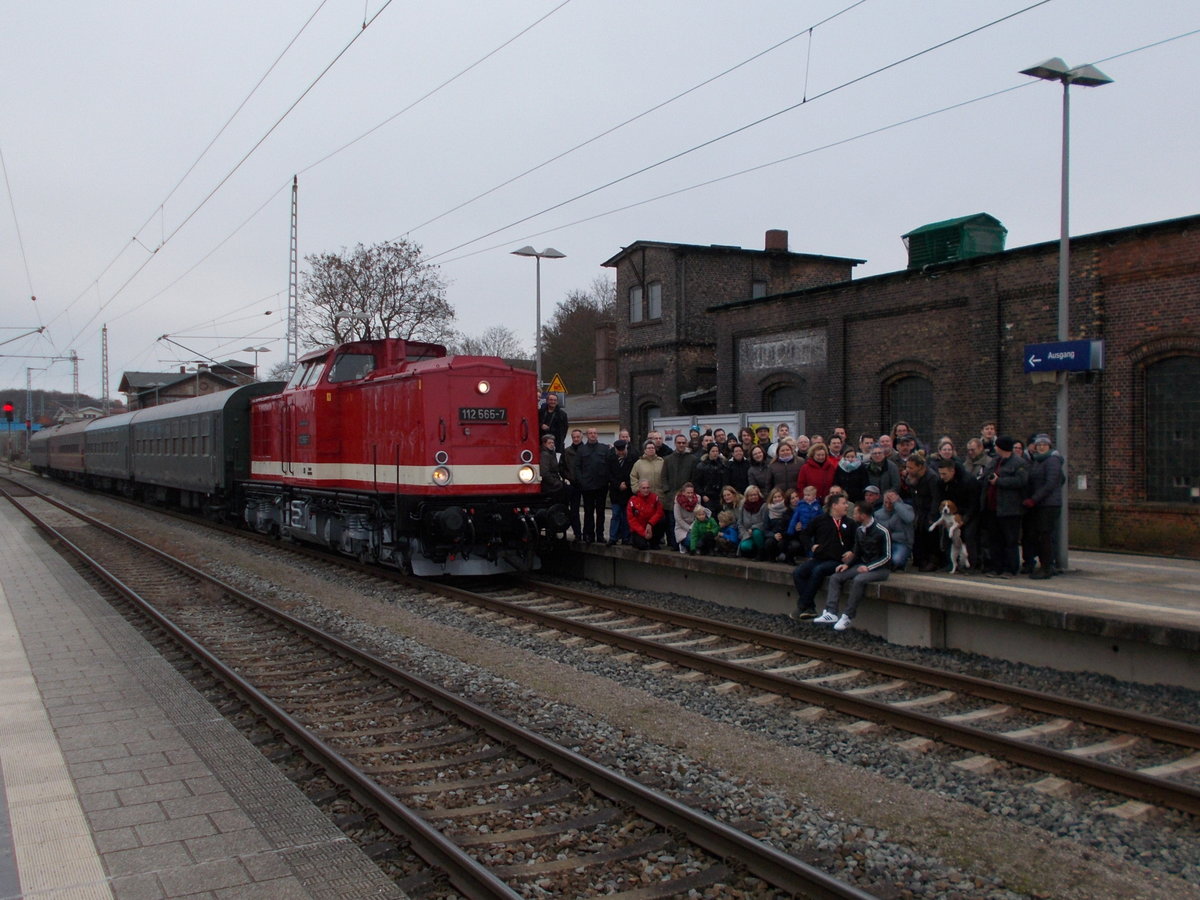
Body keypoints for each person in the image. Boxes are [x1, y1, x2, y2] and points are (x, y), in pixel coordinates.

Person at [815, 501, 892, 631]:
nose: (853, 515)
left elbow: (887, 556)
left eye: (856, 513)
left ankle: (847, 615)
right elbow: (857, 552)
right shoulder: (859, 530)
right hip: (862, 565)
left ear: (863, 515)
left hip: (880, 569)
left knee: (859, 580)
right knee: (836, 577)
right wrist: (847, 565)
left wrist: (869, 567)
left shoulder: (882, 531)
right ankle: (831, 611)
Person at [790, 493, 854, 619]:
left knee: (819, 571)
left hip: (837, 560)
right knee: (798, 572)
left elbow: (858, 541)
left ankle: (802, 605)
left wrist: (852, 552)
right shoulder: (820, 520)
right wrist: (811, 546)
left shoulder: (850, 523)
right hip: (820, 557)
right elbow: (805, 534)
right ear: (834, 505)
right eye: (844, 503)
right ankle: (810, 607)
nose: (847, 506)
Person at [985, 436, 1028, 577]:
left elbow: (1021, 481)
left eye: (996, 446)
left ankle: (1010, 568)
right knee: (995, 539)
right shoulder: (995, 461)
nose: (995, 448)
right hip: (993, 507)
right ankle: (996, 567)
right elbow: (986, 474)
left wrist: (999, 481)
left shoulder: (1019, 463)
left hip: (1010, 508)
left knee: (1010, 540)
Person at [1024, 433, 1063, 579]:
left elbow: (1050, 483)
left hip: (1049, 504)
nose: (1041, 447)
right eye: (1038, 445)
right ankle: (1045, 565)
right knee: (1040, 535)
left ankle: (1046, 567)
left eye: (1044, 444)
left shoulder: (1052, 460)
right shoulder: (1038, 460)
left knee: (1045, 535)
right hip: (1040, 504)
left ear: (1049, 446)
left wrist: (1034, 499)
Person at [902, 452, 940, 571]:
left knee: (930, 536)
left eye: (911, 468)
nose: (908, 470)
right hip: (918, 509)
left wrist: (933, 515)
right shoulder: (912, 477)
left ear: (920, 467)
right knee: (919, 534)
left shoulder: (932, 477)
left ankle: (933, 561)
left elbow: (936, 497)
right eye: (907, 467)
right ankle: (920, 560)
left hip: (929, 510)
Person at [575, 428, 612, 543]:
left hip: (601, 486)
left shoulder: (604, 449)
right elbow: (577, 467)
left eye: (595, 433)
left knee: (601, 512)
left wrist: (607, 480)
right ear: (587, 435)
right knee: (588, 512)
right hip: (587, 486)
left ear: (597, 435)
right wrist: (582, 481)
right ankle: (589, 535)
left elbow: (609, 465)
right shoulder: (581, 450)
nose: (593, 435)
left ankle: (600, 535)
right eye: (590, 433)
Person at [663, 433, 698, 549]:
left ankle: (685, 542)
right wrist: (667, 490)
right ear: (675, 444)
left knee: (685, 520)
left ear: (686, 443)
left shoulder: (692, 459)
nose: (681, 445)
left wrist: (690, 492)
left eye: (683, 443)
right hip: (671, 495)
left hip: (687, 496)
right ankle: (673, 544)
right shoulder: (668, 459)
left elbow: (694, 477)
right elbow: (664, 476)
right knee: (672, 521)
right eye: (679, 443)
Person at [873, 487, 914, 570]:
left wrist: (896, 504)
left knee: (897, 560)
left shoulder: (907, 508)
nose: (888, 505)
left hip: (902, 543)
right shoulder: (878, 514)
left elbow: (909, 518)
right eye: (886, 502)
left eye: (891, 503)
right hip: (885, 543)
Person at [606, 439, 635, 545]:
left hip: (628, 491)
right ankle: (613, 537)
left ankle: (626, 537)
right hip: (616, 491)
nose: (621, 453)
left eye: (623, 450)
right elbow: (608, 474)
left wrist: (626, 484)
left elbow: (634, 474)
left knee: (626, 515)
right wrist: (618, 484)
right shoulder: (610, 459)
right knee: (616, 514)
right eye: (619, 451)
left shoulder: (632, 458)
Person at [627, 479, 666, 550]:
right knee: (642, 546)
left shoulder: (655, 498)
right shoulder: (633, 501)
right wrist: (644, 533)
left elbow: (659, 512)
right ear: (639, 489)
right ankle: (635, 540)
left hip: (651, 527)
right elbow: (632, 521)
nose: (646, 490)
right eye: (644, 488)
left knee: (662, 520)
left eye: (648, 488)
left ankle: (654, 542)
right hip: (639, 529)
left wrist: (650, 524)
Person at [630, 439, 668, 510]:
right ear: (645, 450)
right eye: (649, 448)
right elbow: (633, 477)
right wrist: (637, 490)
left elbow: (667, 476)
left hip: (660, 497)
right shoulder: (638, 463)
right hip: (644, 497)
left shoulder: (662, 462)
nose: (651, 449)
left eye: (653, 448)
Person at [561, 428, 584, 540]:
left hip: (585, 484)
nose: (576, 439)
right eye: (574, 437)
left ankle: (588, 534)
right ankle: (577, 533)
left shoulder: (586, 450)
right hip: (572, 484)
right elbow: (562, 467)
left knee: (589, 511)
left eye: (578, 437)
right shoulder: (566, 452)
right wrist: (567, 478)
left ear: (581, 437)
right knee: (573, 511)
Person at [737, 484, 768, 559]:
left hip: (760, 532)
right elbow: (740, 523)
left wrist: (753, 528)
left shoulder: (764, 506)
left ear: (758, 495)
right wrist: (744, 533)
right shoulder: (743, 506)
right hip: (747, 534)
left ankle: (761, 552)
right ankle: (753, 552)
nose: (753, 497)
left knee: (756, 532)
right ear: (747, 496)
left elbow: (764, 522)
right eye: (751, 495)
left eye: (755, 495)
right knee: (744, 546)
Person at [693, 443, 727, 508]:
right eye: (713, 451)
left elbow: (725, 481)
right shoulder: (701, 466)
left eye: (717, 451)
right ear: (709, 452)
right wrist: (703, 495)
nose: (715, 453)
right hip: (707, 496)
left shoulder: (723, 465)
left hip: (720, 496)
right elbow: (696, 483)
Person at [673, 482, 702, 553]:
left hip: (695, 525)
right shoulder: (678, 502)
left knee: (702, 541)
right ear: (683, 492)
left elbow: (698, 514)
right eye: (688, 493)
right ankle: (684, 545)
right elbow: (678, 519)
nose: (690, 495)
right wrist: (689, 528)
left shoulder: (697, 499)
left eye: (692, 492)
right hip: (682, 528)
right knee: (691, 541)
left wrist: (694, 527)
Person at [539, 434, 565, 501]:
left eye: (553, 443)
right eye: (549, 443)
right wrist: (555, 482)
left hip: (553, 481)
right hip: (549, 484)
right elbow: (544, 472)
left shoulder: (552, 453)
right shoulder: (545, 454)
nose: (552, 444)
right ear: (544, 444)